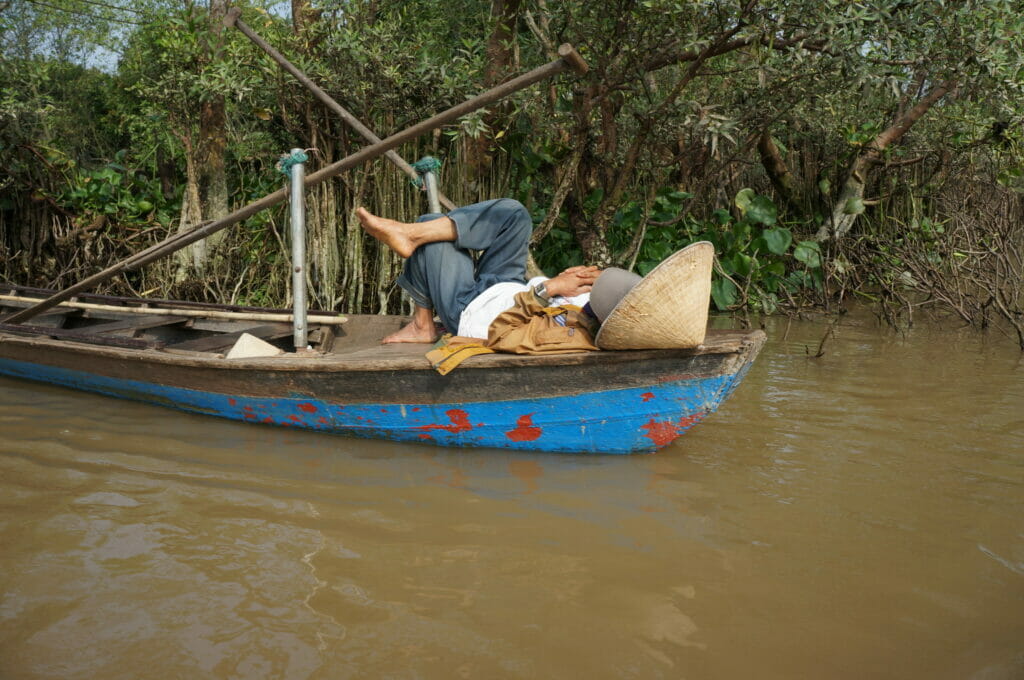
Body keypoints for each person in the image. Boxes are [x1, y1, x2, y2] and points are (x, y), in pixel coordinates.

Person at [356, 198, 640, 344]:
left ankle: (422, 325)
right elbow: (545, 288)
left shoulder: (576, 337)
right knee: (513, 213)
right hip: (506, 286)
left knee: (435, 234)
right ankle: (410, 233)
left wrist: (550, 289)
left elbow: (505, 332)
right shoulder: (592, 305)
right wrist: (567, 280)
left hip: (473, 313)